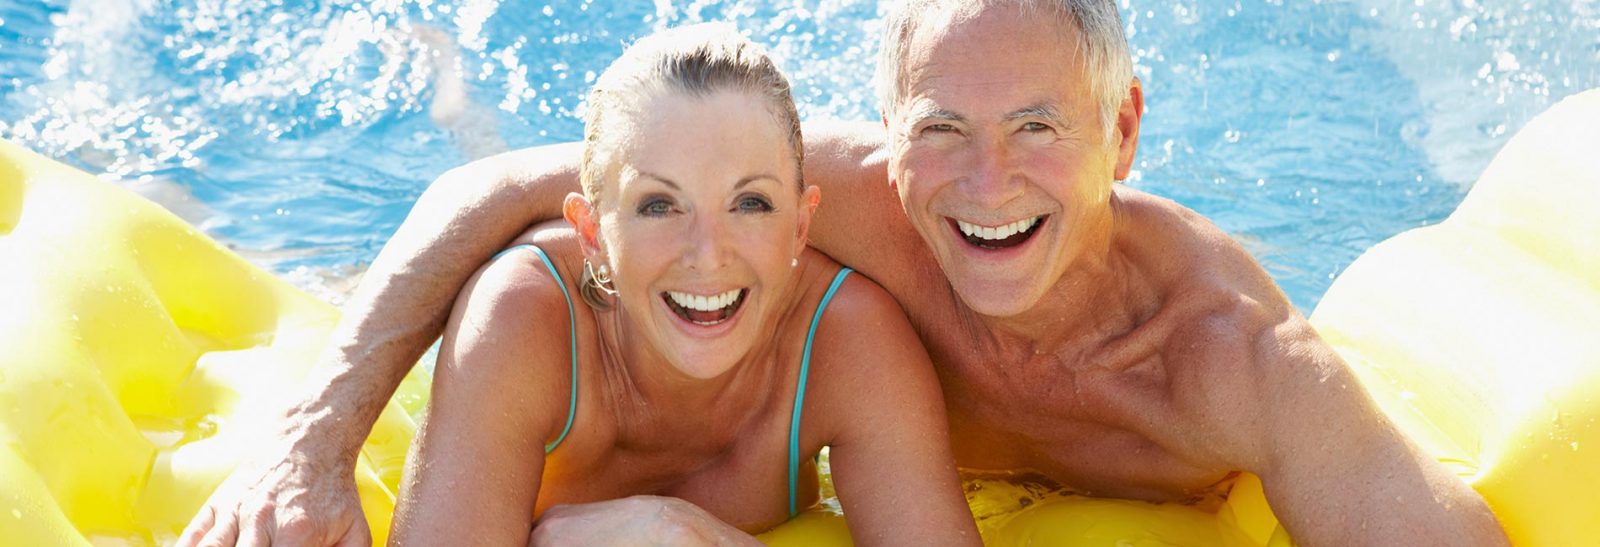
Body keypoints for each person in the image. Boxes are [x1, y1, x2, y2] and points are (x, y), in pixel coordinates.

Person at [182, 1, 1508, 546]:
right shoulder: (849, 205)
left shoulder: (1239, 364)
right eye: (944, 131)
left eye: (1038, 130)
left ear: (1124, 133)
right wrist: (310, 443)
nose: (984, 185)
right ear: (887, 137)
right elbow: (499, 192)